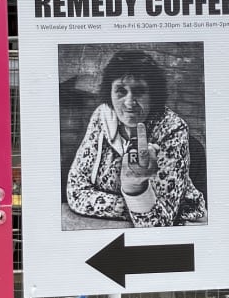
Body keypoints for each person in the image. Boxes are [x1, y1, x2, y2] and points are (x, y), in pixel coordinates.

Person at [66, 50, 206, 227]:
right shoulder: (102, 116)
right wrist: (137, 205)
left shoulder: (173, 129)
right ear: (109, 93)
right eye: (121, 91)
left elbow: (160, 223)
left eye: (139, 91)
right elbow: (76, 192)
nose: (129, 102)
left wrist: (134, 189)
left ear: (153, 95)